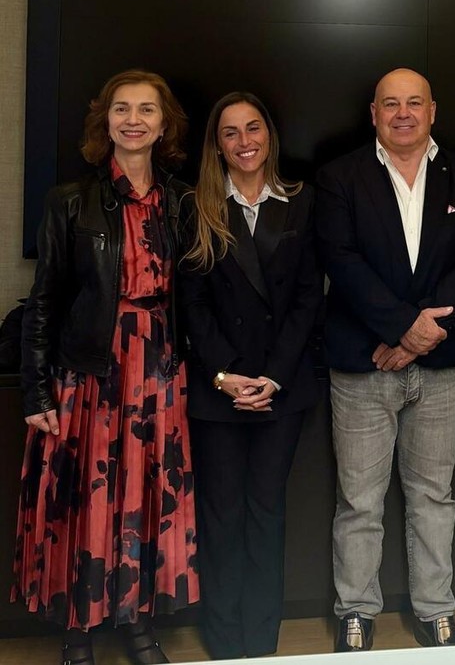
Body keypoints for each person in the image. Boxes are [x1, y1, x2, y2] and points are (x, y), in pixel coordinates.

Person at [14, 69, 197, 665]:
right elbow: (43, 301)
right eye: (122, 109)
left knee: (144, 499)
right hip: (90, 370)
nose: (133, 120)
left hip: (159, 372)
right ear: (106, 121)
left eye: (146, 110)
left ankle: (138, 624)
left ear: (163, 125)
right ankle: (78, 632)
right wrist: (35, 391)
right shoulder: (70, 200)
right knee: (87, 503)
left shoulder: (183, 201)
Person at [315, 68, 455, 652]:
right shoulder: (340, 177)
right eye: (390, 104)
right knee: (359, 501)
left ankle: (435, 610)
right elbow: (342, 262)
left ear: (433, 110)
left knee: (434, 496)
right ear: (373, 113)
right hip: (362, 363)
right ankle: (355, 611)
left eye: (414, 102)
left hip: (440, 364)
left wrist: (420, 336)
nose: (403, 114)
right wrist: (401, 328)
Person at [178, 92, 321, 659]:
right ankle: (223, 643)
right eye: (231, 132)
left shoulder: (302, 200)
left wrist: (273, 378)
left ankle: (260, 642)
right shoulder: (196, 206)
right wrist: (225, 375)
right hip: (218, 390)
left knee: (266, 513)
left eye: (253, 128)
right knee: (221, 516)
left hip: (280, 388)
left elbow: (308, 297)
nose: (244, 142)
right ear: (217, 145)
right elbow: (191, 304)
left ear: (270, 135)